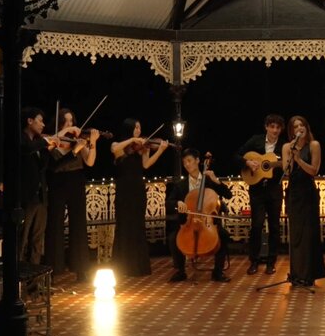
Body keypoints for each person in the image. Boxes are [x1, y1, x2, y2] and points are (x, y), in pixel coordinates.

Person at [45, 108, 100, 283]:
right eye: (66, 121)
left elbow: (90, 162)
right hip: (57, 182)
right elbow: (55, 159)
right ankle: (53, 270)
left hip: (76, 180)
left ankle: (81, 269)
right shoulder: (55, 139)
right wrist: (67, 139)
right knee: (55, 225)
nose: (70, 124)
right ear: (60, 123)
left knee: (79, 224)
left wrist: (92, 142)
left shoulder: (78, 140)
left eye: (71, 121)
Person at [110, 118, 169, 277]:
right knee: (123, 225)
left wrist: (160, 150)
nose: (138, 131)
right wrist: (132, 140)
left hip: (138, 189)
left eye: (139, 128)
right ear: (129, 129)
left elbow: (146, 165)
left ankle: (138, 266)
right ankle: (121, 266)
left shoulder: (142, 147)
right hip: (123, 189)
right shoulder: (119, 145)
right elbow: (114, 150)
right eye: (136, 128)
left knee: (137, 225)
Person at [166, 148, 233, 283]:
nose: (187, 165)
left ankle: (218, 272)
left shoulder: (209, 180)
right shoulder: (181, 185)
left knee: (224, 235)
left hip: (208, 222)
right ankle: (180, 271)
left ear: (198, 161)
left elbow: (228, 194)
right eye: (184, 163)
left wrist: (216, 180)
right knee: (173, 238)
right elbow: (168, 203)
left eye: (189, 161)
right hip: (189, 223)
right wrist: (178, 202)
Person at [18, 107, 71, 265]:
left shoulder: (38, 144)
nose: (43, 125)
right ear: (29, 121)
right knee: (22, 240)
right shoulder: (21, 139)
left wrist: (72, 151)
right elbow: (26, 149)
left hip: (41, 197)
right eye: (40, 121)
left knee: (37, 240)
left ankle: (34, 282)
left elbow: (47, 166)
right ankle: (18, 279)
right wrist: (47, 141)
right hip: (26, 197)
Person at [234, 114, 286, 275]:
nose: (275, 130)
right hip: (257, 190)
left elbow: (287, 165)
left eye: (278, 127)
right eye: (272, 127)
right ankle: (254, 261)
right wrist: (247, 162)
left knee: (275, 227)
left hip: (274, 190)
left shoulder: (284, 146)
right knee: (256, 226)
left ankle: (271, 262)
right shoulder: (255, 140)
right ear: (266, 127)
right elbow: (236, 156)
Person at [281, 115, 325, 287]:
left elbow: (314, 170)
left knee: (308, 234)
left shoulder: (314, 145)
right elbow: (287, 172)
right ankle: (296, 274)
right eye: (295, 126)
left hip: (308, 192)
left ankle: (308, 275)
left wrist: (299, 158)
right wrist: (291, 154)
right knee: (296, 235)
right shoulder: (287, 146)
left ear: (306, 128)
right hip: (293, 193)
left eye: (301, 126)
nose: (298, 128)